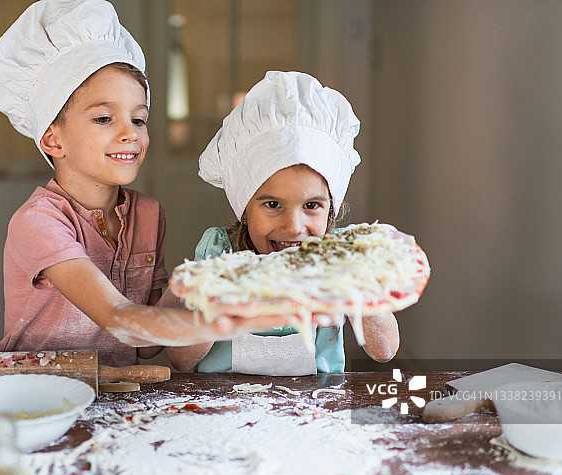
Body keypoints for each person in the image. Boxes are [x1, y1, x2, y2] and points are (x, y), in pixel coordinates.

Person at [0, 0, 291, 367]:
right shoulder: (38, 223)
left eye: (139, 119)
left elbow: (142, 347)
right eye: (103, 118)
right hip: (35, 397)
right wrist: (238, 319)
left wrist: (195, 283)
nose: (130, 133)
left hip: (114, 396)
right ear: (53, 140)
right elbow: (120, 319)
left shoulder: (147, 214)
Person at [167, 71, 400, 374]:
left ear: (331, 210)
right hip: (221, 409)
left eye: (312, 205)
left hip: (316, 409)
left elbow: (384, 351)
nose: (294, 226)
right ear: (244, 208)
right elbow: (181, 361)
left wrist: (360, 282)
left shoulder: (341, 259)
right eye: (273, 205)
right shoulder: (219, 255)